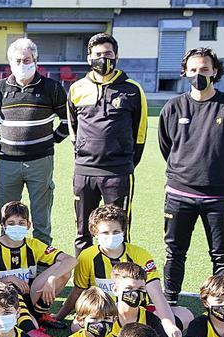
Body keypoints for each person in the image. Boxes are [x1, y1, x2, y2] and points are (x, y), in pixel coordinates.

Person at [159, 47, 224, 306]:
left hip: (219, 196)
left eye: (204, 69)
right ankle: (171, 303)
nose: (198, 74)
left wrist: (218, 175)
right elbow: (167, 147)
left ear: (215, 72)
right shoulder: (173, 107)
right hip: (179, 195)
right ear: (184, 72)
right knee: (175, 252)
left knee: (222, 254)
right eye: (193, 70)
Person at [54, 204, 184, 337]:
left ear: (123, 230)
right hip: (103, 314)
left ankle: (132, 334)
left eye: (116, 232)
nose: (111, 236)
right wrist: (60, 316)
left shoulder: (140, 255)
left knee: (185, 315)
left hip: (136, 312)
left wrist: (169, 323)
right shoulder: (86, 257)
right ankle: (137, 336)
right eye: (105, 232)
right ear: (94, 233)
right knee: (76, 326)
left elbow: (155, 292)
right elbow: (78, 291)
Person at [67, 33, 148, 252]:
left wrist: (124, 162)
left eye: (108, 54)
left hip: (117, 172)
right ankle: (84, 283)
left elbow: (139, 133)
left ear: (117, 56)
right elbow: (73, 130)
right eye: (98, 55)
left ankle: (120, 281)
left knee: (118, 232)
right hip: (84, 172)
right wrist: (84, 156)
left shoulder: (132, 89)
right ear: (89, 58)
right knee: (83, 232)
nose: (103, 59)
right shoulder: (76, 89)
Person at [0, 38, 69, 245]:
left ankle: (42, 266)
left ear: (36, 61)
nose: (22, 64)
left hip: (40, 162)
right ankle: (7, 262)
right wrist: (10, 137)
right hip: (8, 162)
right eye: (18, 60)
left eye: (27, 60)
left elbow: (68, 121)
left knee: (41, 219)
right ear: (10, 62)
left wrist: (51, 139)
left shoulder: (52, 87)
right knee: (7, 216)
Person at [0, 201, 74, 337]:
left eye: (21, 222)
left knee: (63, 270)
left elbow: (71, 260)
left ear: (28, 225)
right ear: (3, 225)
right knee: (10, 285)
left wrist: (52, 278)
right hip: (8, 303)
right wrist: (9, 278)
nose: (16, 227)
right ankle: (30, 330)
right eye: (11, 223)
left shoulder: (34, 245)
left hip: (30, 295)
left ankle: (39, 315)